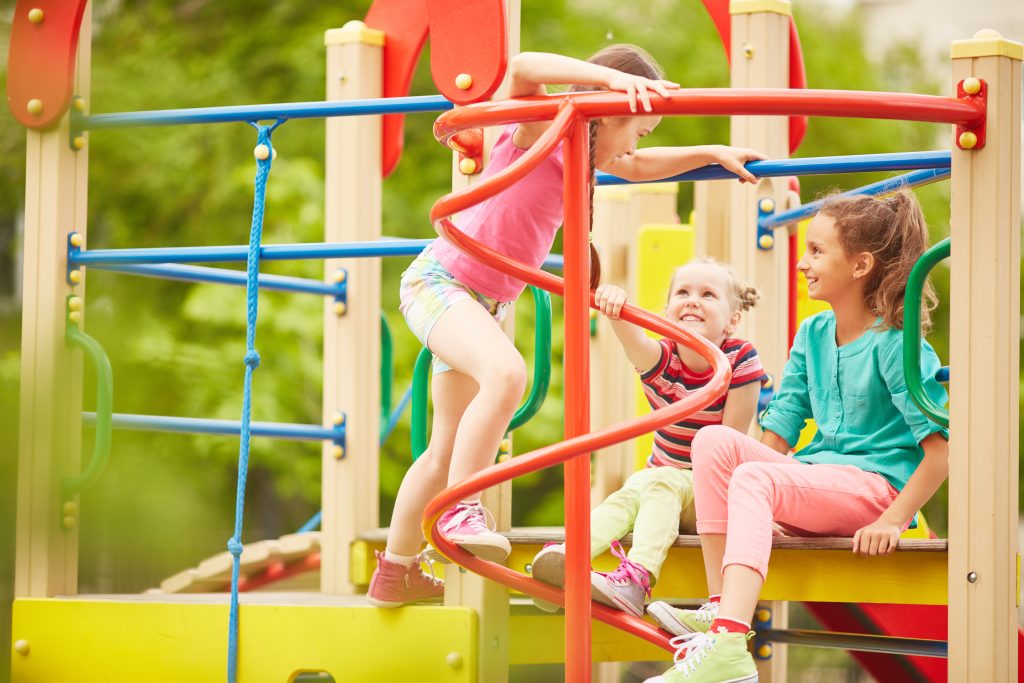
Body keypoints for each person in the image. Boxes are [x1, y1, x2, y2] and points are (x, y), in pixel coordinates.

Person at [367, 44, 767, 608]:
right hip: (442, 284)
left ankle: (396, 572)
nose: (636, 145)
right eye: (638, 130)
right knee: (506, 375)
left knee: (442, 450)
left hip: (486, 302)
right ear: (606, 110)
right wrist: (606, 80)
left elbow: (641, 165)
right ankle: (460, 508)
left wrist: (712, 152)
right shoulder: (542, 129)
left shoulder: (586, 153)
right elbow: (525, 66)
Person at [644, 189, 950, 683]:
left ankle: (727, 647)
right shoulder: (812, 332)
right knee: (713, 444)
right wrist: (759, 495)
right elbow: (783, 419)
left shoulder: (896, 344)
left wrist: (894, 521)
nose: (802, 263)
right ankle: (722, 602)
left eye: (816, 251)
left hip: (873, 492)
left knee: (753, 480)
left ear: (860, 266)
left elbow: (941, 452)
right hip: (818, 480)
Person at [529, 258, 767, 617]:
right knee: (629, 493)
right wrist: (615, 308)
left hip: (712, 493)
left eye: (708, 294)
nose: (692, 300)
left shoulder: (740, 358)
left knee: (661, 483)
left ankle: (636, 581)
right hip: (661, 480)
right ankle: (569, 556)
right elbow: (634, 340)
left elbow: (728, 446)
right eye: (683, 292)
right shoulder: (664, 359)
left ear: (732, 320)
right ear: (667, 311)